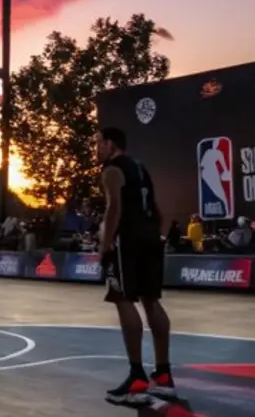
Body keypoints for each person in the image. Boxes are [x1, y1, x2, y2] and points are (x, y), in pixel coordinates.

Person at [96, 127, 175, 406]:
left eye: (99, 143)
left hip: (126, 242)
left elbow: (114, 208)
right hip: (151, 238)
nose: (97, 149)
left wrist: (104, 245)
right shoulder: (141, 169)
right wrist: (160, 236)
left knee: (123, 298)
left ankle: (137, 376)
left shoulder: (112, 170)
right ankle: (164, 377)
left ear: (110, 144)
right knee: (151, 300)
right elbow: (160, 210)